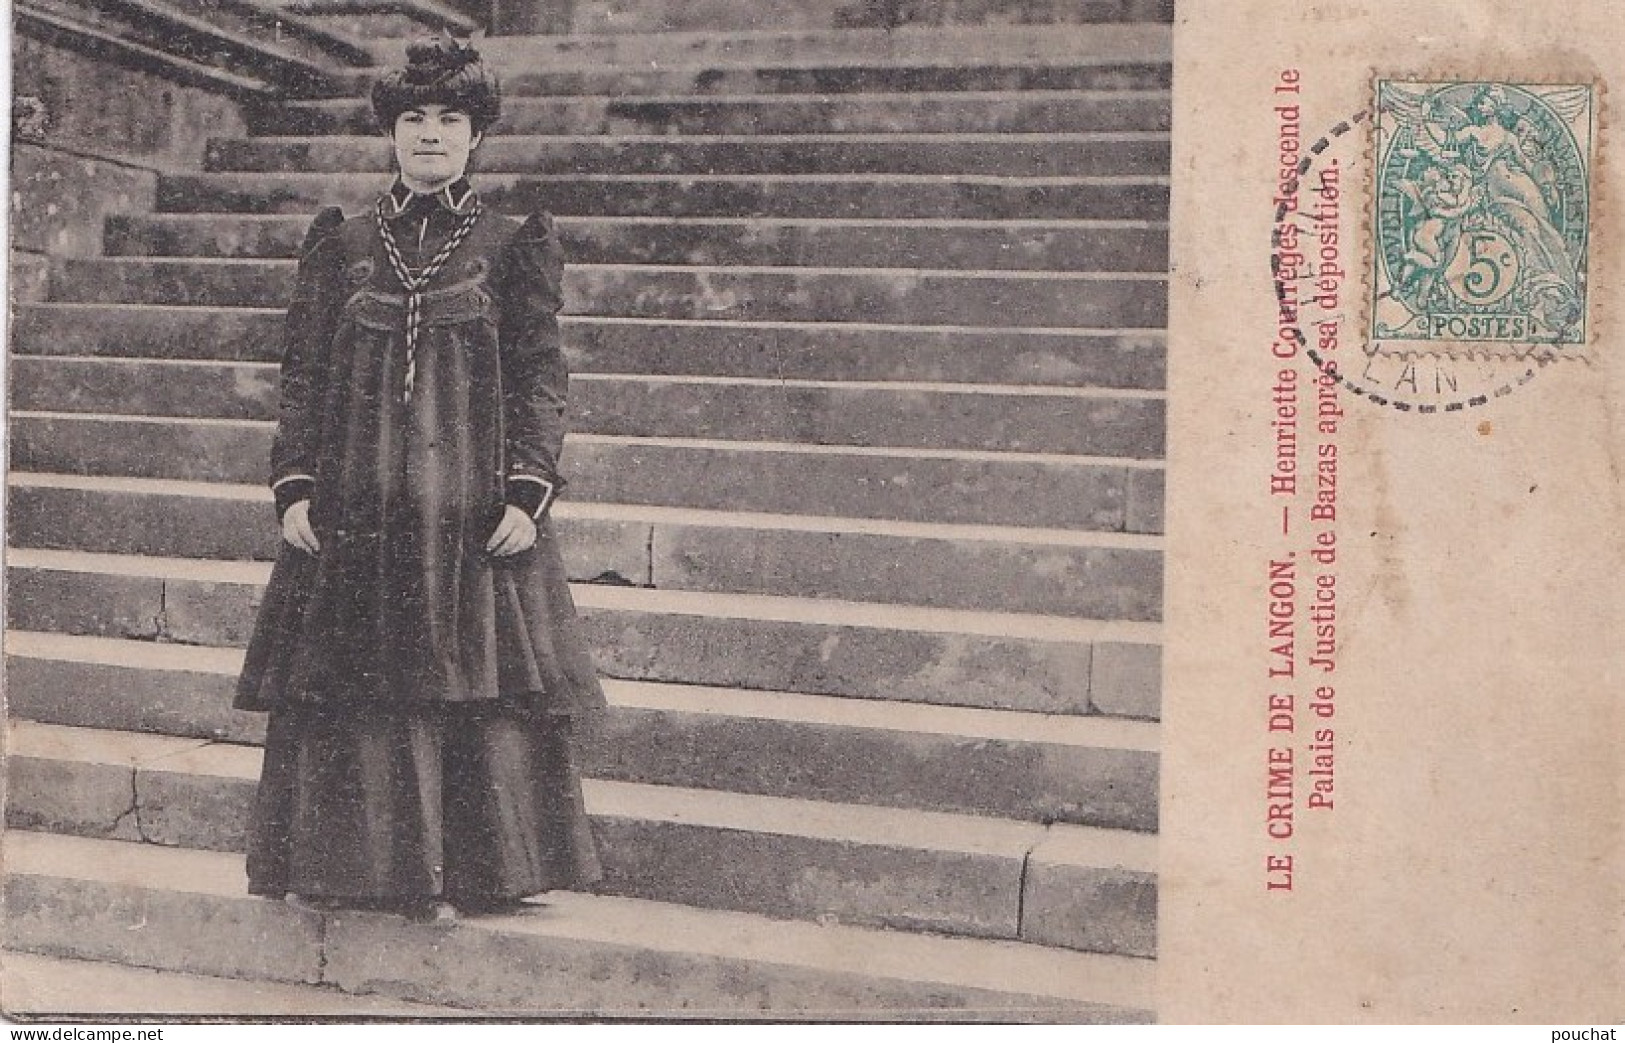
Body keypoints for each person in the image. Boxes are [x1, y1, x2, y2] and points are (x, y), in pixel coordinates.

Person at [234, 35, 605, 922]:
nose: (430, 135)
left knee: (464, 675)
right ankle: (354, 867)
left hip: (467, 512)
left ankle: (470, 872)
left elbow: (540, 374)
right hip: (358, 508)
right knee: (355, 677)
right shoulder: (344, 240)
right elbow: (303, 375)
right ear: (391, 133)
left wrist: (528, 486)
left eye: (449, 120)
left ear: (476, 136)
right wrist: (294, 482)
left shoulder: (514, 241)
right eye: (413, 119)